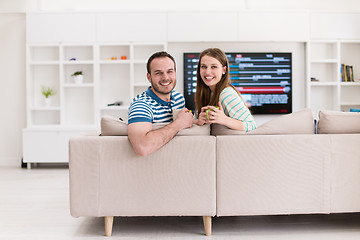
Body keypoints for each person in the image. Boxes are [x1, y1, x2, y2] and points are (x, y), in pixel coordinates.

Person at [127, 51, 194, 156]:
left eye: (170, 71)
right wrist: (179, 124)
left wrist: (197, 122)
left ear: (175, 73)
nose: (165, 78)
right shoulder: (141, 105)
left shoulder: (179, 99)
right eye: (158, 73)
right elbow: (142, 147)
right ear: (149, 77)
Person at [194, 48, 256, 131]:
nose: (207, 72)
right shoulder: (206, 93)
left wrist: (224, 120)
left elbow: (252, 126)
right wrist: (198, 121)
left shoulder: (226, 94)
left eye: (214, 67)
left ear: (224, 70)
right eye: (203, 66)